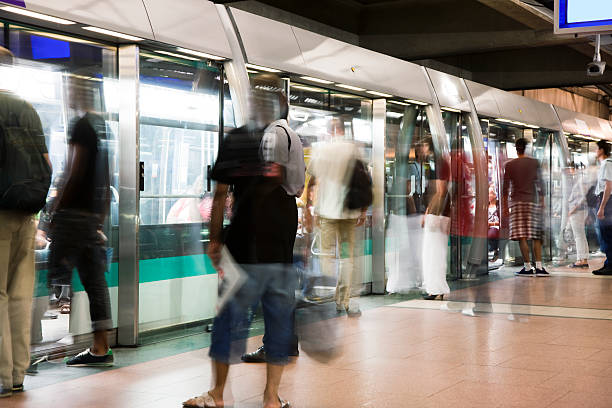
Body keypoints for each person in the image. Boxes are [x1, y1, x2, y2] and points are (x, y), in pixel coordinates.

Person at [183, 74, 301, 408]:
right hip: (279, 243)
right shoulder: (289, 136)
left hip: (242, 243)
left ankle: (217, 395)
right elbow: (297, 188)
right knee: (278, 318)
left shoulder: (236, 138)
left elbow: (220, 195)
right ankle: (271, 399)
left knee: (228, 318)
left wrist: (214, 239)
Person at [0, 46, 51, 397]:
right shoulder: (26, 108)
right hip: (26, 214)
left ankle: (2, 373)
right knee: (19, 295)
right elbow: (46, 165)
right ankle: (17, 373)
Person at [51, 76, 113, 366]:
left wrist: (55, 209)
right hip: (90, 217)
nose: (68, 95)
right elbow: (107, 175)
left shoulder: (81, 126)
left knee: (54, 272)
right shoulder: (103, 127)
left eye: (70, 89)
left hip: (74, 215)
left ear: (78, 92)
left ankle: (37, 344)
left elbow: (74, 170)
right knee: (94, 281)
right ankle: (100, 347)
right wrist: (99, 216)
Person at [241, 95, 305, 364]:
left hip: (273, 207)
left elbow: (273, 174)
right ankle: (287, 342)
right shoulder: (290, 133)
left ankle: (274, 345)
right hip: (286, 207)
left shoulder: (274, 134)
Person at [305, 118, 367, 315]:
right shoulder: (352, 149)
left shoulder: (322, 149)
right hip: (349, 212)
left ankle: (323, 294)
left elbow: (312, 179)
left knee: (325, 253)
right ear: (342, 129)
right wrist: (363, 210)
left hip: (327, 213)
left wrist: (308, 207)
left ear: (330, 131)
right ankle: (343, 300)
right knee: (347, 257)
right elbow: (364, 181)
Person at [502, 137, 548, 277]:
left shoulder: (510, 165)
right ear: (526, 148)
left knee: (522, 236)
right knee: (536, 236)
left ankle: (527, 267)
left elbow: (505, 188)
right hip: (532, 202)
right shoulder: (534, 163)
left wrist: (504, 206)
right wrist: (542, 201)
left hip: (517, 203)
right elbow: (541, 183)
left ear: (516, 149)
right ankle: (539, 267)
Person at [420, 137, 451, 299]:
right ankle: (437, 289)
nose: (422, 149)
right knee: (436, 253)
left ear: (429, 146)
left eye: (424, 145)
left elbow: (441, 191)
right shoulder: (440, 162)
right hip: (440, 213)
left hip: (437, 214)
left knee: (432, 253)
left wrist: (431, 213)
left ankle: (435, 289)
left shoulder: (437, 163)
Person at [593, 140, 612, 275]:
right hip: (607, 200)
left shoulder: (607, 164)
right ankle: (609, 263)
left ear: (601, 150)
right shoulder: (607, 164)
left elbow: (608, 186)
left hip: (607, 201)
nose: (595, 151)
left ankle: (610, 264)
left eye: (596, 148)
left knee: (606, 233)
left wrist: (602, 207)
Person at [567, 162, 589, 268]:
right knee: (581, 235)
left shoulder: (580, 180)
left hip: (577, 211)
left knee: (578, 236)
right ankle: (583, 258)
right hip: (580, 211)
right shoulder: (581, 179)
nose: (569, 171)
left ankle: (581, 260)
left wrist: (572, 210)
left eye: (570, 168)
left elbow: (582, 197)